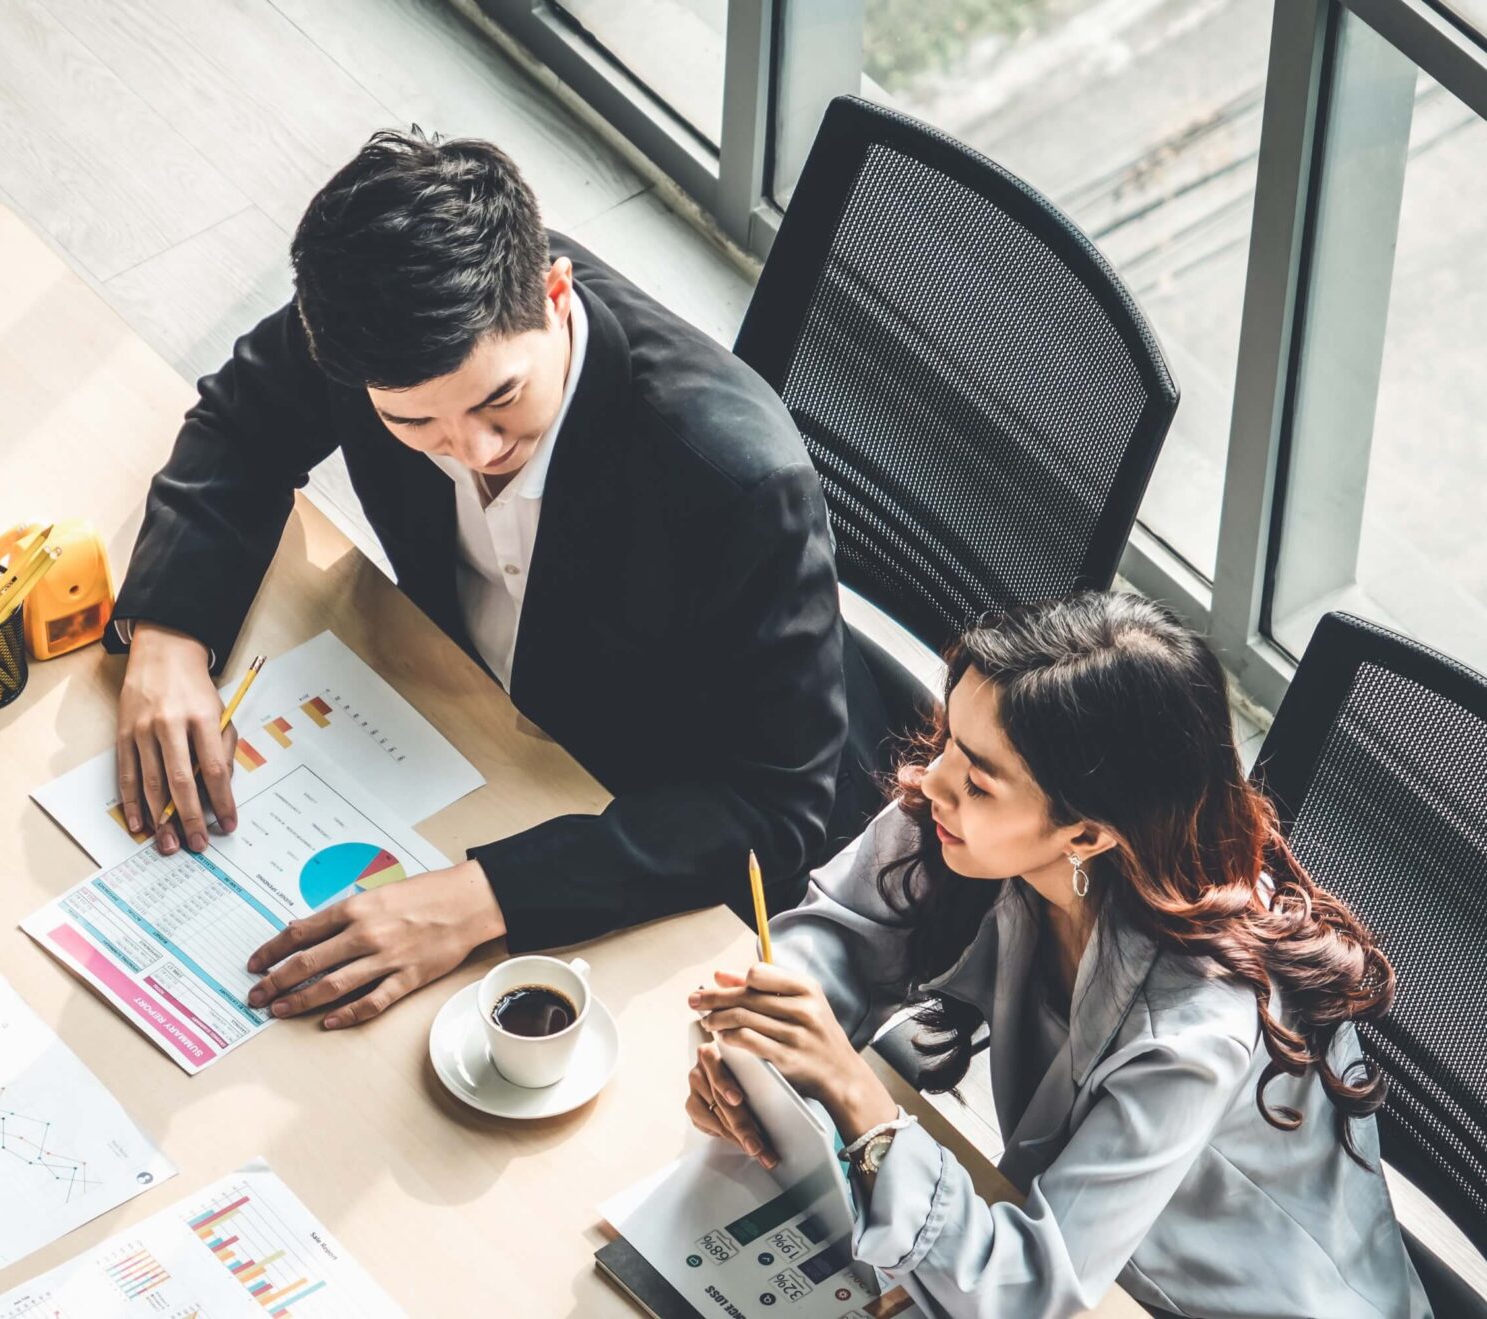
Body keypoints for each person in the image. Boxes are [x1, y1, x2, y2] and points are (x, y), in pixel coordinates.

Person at [112, 129, 848, 1028]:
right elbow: (242, 422)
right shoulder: (379, 329)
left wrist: (485, 897)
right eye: (415, 424)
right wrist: (170, 635)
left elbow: (774, 810)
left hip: (615, 810)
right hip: (449, 724)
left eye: (500, 398)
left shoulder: (741, 482)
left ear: (555, 293)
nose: (475, 449)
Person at [683, 592, 1428, 1318]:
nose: (933, 780)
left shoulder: (1195, 1028)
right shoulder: (978, 826)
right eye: (950, 741)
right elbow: (840, 935)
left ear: (1086, 834)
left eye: (977, 781)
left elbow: (1027, 1289)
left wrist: (858, 1100)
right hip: (1083, 1257)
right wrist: (765, 1043)